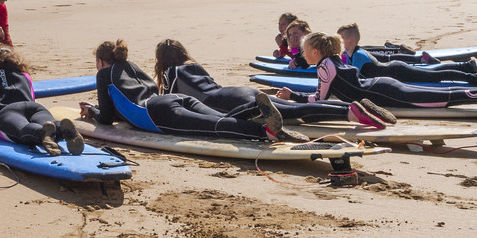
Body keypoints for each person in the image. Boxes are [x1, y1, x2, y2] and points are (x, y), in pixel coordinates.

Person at [78, 40, 307, 142]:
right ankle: (255, 110)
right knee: (223, 118)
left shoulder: (104, 75)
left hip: (157, 113)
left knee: (215, 128)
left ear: (100, 61)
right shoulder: (131, 67)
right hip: (174, 99)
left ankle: (264, 133)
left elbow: (107, 119)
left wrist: (94, 112)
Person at [153, 39, 395, 128]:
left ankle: (352, 114)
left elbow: (172, 101)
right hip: (238, 91)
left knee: (294, 113)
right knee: (291, 108)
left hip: (225, 102)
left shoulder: (172, 72)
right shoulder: (193, 65)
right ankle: (351, 108)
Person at [277, 33, 477, 108]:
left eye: (304, 49)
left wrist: (293, 97)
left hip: (386, 94)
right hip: (383, 87)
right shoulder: (334, 60)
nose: (302, 53)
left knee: (441, 99)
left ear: (315, 53)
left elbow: (320, 99)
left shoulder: (324, 66)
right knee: (437, 94)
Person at [0, 46, 83, 156]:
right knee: (49, 125)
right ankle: (61, 128)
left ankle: (41, 134)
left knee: (23, 129)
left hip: (7, 112)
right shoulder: (25, 76)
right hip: (35, 108)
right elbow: (32, 98)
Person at [336, 23, 477, 87]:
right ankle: (467, 66)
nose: (341, 41)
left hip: (398, 71)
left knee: (434, 74)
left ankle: (472, 76)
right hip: (395, 71)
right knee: (433, 71)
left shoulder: (358, 55)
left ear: (350, 40)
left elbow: (353, 78)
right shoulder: (349, 53)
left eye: (342, 38)